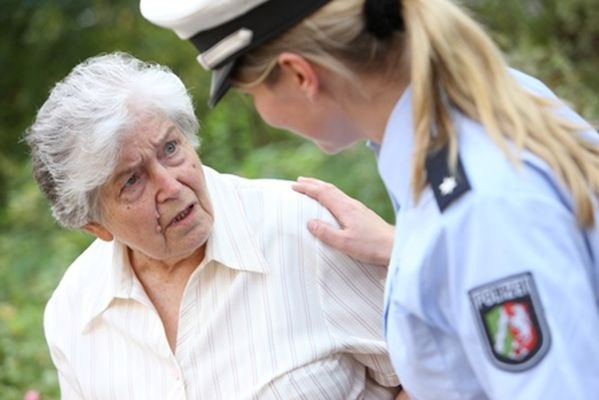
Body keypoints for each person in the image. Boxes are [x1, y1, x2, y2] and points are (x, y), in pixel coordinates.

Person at [140, 0, 599, 398]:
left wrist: (443, 249)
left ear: (300, 75)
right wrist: (412, 250)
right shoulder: (485, 107)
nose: (261, 110)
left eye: (251, 92)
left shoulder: (476, 213)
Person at [25, 52, 403, 399]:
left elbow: (439, 371)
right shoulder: (73, 311)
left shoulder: (307, 228)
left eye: (170, 149)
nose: (171, 187)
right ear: (96, 226)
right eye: (132, 180)